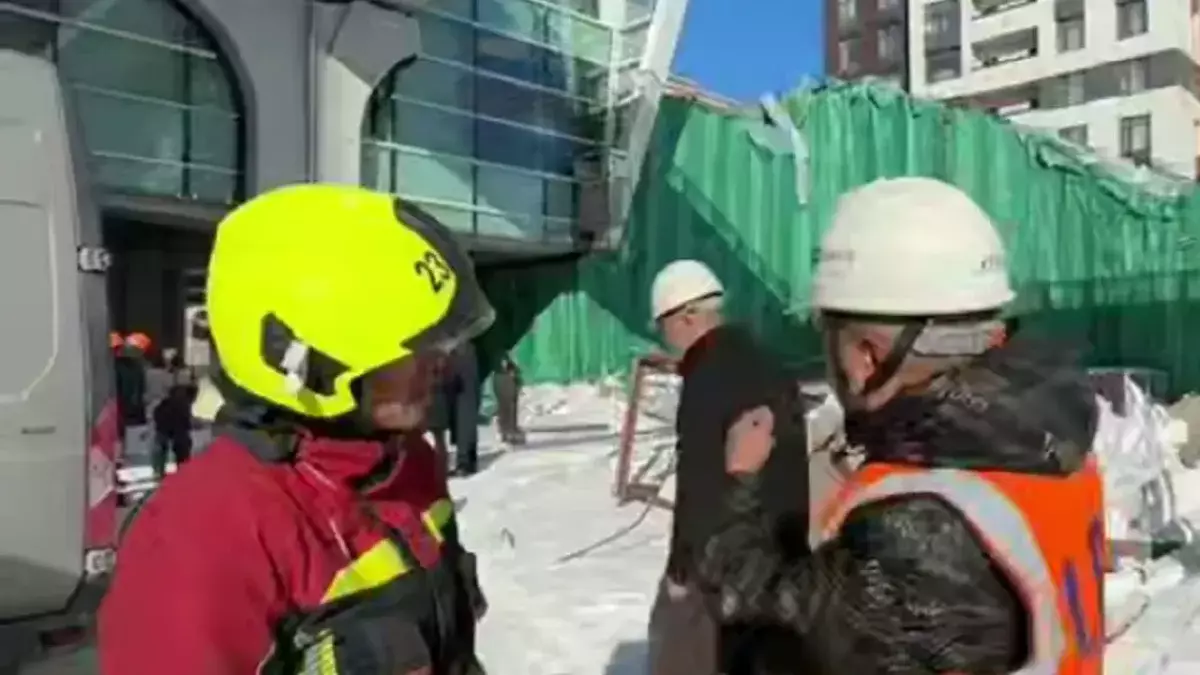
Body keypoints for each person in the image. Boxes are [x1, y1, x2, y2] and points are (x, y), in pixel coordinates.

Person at [700, 177, 1106, 674]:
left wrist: (739, 483)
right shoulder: (1041, 442)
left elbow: (766, 626)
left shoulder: (913, 533)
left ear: (866, 357)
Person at [98, 184, 494, 674]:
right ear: (307, 359)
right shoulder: (201, 536)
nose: (440, 363)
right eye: (413, 346)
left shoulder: (407, 462)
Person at [646, 259, 810, 675]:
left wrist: (681, 570)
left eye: (663, 326)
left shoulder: (708, 375)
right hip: (784, 552)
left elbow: (699, 481)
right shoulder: (769, 362)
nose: (664, 339)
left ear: (687, 316)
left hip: (725, 566)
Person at [492, 353, 526, 446]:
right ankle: (507, 431)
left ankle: (509, 429)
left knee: (510, 403)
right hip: (503, 373)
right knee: (505, 404)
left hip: (507, 372)